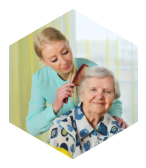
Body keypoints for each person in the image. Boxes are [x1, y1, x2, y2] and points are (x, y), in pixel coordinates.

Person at [26, 27, 128, 137]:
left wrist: (114, 118)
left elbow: (114, 102)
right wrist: (55, 106)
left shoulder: (90, 68)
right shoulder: (39, 80)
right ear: (43, 61)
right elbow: (32, 129)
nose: (64, 61)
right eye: (54, 60)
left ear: (69, 45)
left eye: (65, 52)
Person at [48, 66, 125, 158]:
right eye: (93, 89)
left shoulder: (120, 130)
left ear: (114, 98)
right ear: (81, 94)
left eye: (107, 91)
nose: (100, 96)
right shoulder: (61, 127)